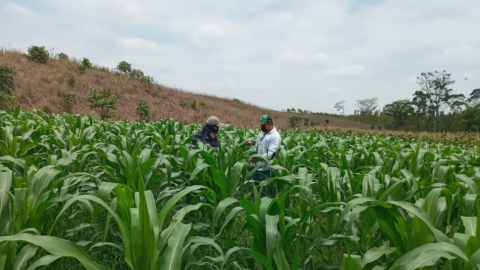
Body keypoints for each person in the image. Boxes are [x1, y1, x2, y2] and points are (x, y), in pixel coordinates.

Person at [247, 114, 281, 197]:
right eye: (261, 124)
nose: (261, 126)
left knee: (265, 191)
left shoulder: (275, 136)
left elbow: (271, 153)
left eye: (263, 125)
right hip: (256, 166)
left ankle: (265, 209)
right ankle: (255, 207)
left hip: (266, 169)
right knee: (255, 190)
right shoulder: (262, 133)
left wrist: (258, 158)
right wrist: (252, 143)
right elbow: (259, 143)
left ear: (270, 123)